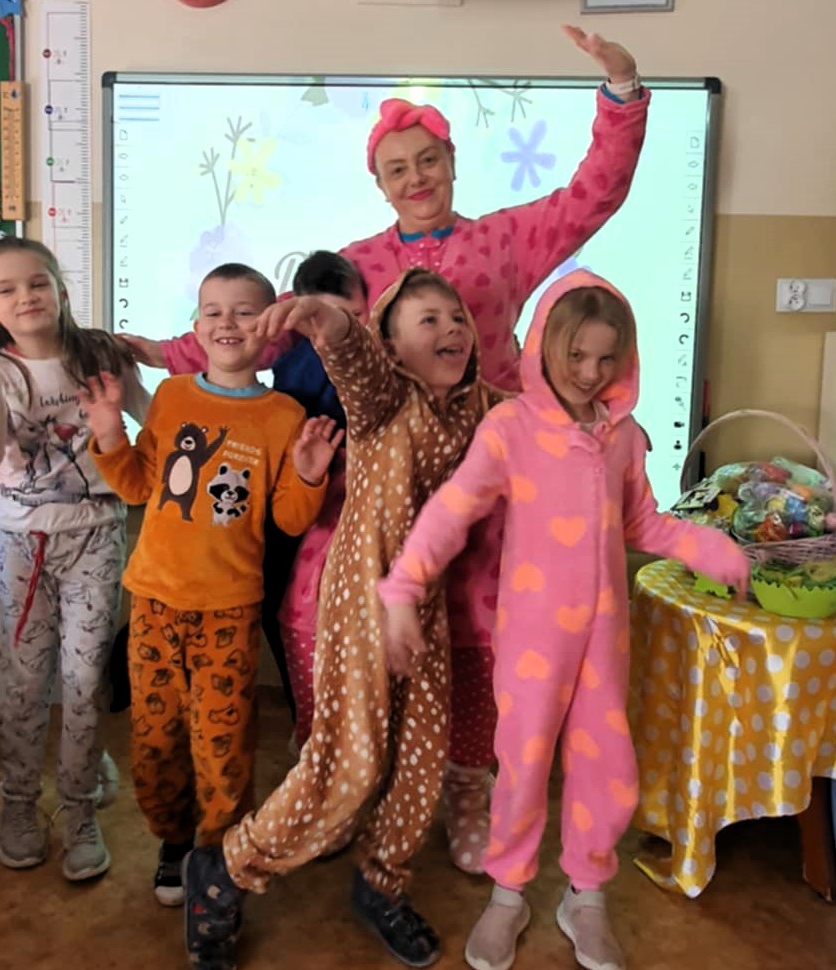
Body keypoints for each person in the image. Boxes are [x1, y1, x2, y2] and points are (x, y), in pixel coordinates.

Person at [123, 25, 651, 875]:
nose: (416, 178)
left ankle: (467, 787)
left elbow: (594, 193)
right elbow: (268, 335)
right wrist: (159, 352)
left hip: (487, 471)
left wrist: (621, 93)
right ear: (379, 182)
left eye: (428, 161)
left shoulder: (508, 239)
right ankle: (333, 775)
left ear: (452, 163)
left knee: (480, 623)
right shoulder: (357, 263)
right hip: (381, 475)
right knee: (315, 600)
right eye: (397, 168)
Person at [378, 271, 751, 970]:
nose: (589, 373)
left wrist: (713, 549)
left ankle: (586, 896)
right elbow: (453, 510)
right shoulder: (511, 429)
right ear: (545, 347)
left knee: (606, 766)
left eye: (607, 358)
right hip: (532, 639)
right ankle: (508, 893)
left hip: (604, 641)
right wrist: (403, 586)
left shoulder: (622, 437)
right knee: (520, 765)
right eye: (576, 355)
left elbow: (641, 523)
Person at [177, 268, 506, 970]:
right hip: (361, 601)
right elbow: (350, 357)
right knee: (347, 764)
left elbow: (543, 421)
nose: (451, 329)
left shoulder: (484, 408)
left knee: (420, 758)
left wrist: (600, 420)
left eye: (456, 317)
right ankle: (225, 869)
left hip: (426, 608)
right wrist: (319, 318)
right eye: (428, 320)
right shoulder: (384, 397)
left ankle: (382, 881)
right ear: (391, 344)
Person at [79, 262, 341, 910]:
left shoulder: (284, 415)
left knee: (223, 743)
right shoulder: (171, 398)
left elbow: (288, 519)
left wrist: (310, 474)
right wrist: (109, 430)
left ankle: (217, 853)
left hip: (230, 611)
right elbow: (137, 486)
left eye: (245, 311)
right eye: (214, 312)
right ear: (196, 328)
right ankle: (173, 840)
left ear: (269, 328)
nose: (228, 323)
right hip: (154, 603)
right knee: (155, 738)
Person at [0, 236, 150, 880]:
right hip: (22, 540)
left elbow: (156, 421)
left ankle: (80, 804)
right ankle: (17, 802)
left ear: (61, 289)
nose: (26, 297)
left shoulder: (99, 353)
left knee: (86, 677)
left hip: (96, 531)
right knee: (24, 678)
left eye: (38, 282)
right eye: (6, 289)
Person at [264, 251, 367, 749]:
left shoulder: (372, 356)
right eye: (324, 317)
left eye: (353, 316)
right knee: (289, 612)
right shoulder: (294, 360)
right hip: (299, 499)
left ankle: (324, 728)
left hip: (347, 503)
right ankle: (309, 727)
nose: (340, 330)